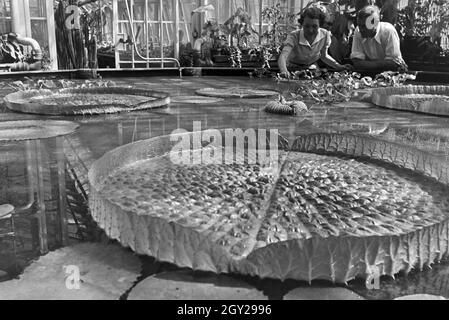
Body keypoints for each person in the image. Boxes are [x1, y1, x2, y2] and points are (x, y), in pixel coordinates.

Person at [278, 7, 352, 77]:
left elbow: (324, 56)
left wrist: (340, 67)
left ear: (320, 25)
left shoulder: (325, 35)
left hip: (311, 69)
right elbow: (283, 56)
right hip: (292, 69)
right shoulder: (294, 36)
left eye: (314, 26)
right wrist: (284, 71)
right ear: (302, 24)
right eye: (307, 26)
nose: (310, 30)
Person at [350, 5, 407, 72]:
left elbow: (393, 64)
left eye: (364, 26)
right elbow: (357, 63)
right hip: (368, 75)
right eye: (359, 25)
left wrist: (367, 64)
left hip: (391, 75)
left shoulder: (388, 31)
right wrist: (383, 64)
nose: (361, 29)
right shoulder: (358, 31)